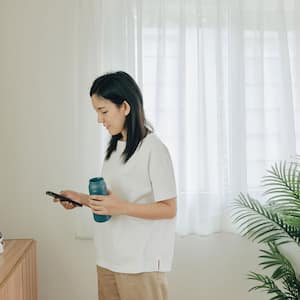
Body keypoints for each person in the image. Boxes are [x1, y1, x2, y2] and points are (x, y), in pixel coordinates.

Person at [54, 71, 177, 300]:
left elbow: (169, 208)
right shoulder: (115, 148)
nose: (100, 120)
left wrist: (121, 207)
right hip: (109, 258)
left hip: (140, 264)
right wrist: (80, 199)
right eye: (97, 112)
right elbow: (113, 201)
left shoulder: (154, 149)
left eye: (103, 111)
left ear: (125, 107)